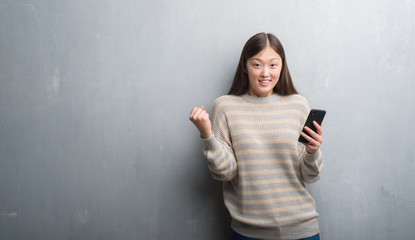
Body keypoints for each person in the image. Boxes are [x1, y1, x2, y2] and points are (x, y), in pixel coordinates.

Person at [189, 32, 323, 240]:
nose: (265, 73)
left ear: (282, 66)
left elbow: (310, 175)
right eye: (257, 64)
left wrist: (312, 152)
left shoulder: (298, 105)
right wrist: (207, 135)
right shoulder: (225, 107)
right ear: (245, 66)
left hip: (301, 230)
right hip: (248, 233)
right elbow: (225, 172)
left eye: (273, 65)